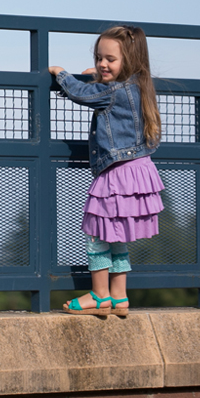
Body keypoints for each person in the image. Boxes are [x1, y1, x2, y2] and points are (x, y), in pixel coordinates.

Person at [48, 25, 165, 316]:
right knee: (116, 236)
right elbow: (103, 88)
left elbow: (83, 94)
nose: (102, 64)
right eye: (100, 58)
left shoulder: (113, 92)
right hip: (138, 170)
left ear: (130, 61)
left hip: (117, 173)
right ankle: (119, 297)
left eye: (110, 60)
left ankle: (99, 296)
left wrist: (62, 74)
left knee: (96, 232)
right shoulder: (139, 86)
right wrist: (100, 76)